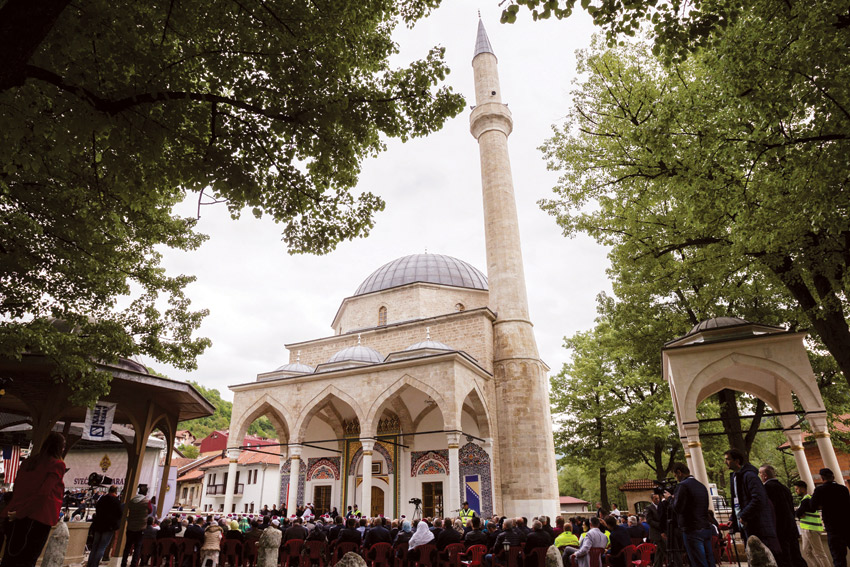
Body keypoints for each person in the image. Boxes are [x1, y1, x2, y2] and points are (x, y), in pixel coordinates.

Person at [1, 432, 66, 567]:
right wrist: (22, 513)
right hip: (38, 517)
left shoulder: (28, 462)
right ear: (60, 447)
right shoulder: (57, 464)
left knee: (10, 555)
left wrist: (17, 512)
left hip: (16, 514)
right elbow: (43, 493)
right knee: (28, 558)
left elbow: (18, 486)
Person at [724, 448, 782, 558]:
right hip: (745, 524)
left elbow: (758, 498)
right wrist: (733, 518)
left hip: (756, 525)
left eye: (728, 459)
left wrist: (744, 515)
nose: (725, 462)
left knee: (761, 557)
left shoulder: (749, 476)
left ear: (737, 461)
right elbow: (738, 501)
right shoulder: (736, 477)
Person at [758, 465, 805, 567]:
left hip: (779, 528)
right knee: (796, 555)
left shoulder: (766, 488)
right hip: (791, 527)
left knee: (784, 557)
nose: (760, 476)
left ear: (765, 476)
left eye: (760, 473)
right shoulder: (784, 488)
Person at [670, 463, 714, 567]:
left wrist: (671, 500)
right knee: (709, 561)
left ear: (679, 472)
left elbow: (678, 508)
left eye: (675, 475)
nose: (676, 478)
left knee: (699, 562)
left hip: (692, 529)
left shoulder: (683, 486)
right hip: (705, 527)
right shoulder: (701, 486)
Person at [809, 468, 850, 567]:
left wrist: (822, 505)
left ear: (822, 478)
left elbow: (812, 507)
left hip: (833, 527)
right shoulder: (843, 489)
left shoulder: (820, 490)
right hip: (847, 524)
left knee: (838, 557)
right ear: (833, 477)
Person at [792, 481, 830, 567]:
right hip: (806, 529)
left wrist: (798, 513)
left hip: (811, 529)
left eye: (797, 489)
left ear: (802, 489)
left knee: (819, 553)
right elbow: (798, 512)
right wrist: (798, 513)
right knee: (806, 551)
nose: (796, 491)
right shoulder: (804, 500)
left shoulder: (807, 499)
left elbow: (798, 512)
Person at [87, 485, 123, 567]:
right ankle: (94, 565)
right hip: (108, 527)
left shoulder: (102, 499)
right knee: (102, 547)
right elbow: (119, 514)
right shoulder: (116, 501)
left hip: (98, 525)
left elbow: (97, 509)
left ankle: (90, 564)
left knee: (95, 546)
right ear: (115, 491)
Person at [122, 484, 151, 567]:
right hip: (140, 527)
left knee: (127, 546)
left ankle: (123, 563)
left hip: (131, 526)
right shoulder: (146, 501)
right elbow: (150, 511)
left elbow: (129, 508)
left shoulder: (132, 501)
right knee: (137, 547)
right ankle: (133, 564)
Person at [645, 492, 664, 567]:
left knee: (660, 551)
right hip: (656, 532)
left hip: (662, 532)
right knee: (664, 548)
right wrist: (659, 525)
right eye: (656, 499)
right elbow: (649, 520)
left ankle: (657, 565)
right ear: (652, 499)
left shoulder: (661, 506)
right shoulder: (649, 508)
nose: (658, 500)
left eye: (658, 498)